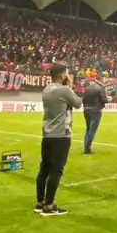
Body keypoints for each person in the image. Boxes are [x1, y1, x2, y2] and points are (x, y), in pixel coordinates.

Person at [36, 64, 82, 217]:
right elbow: (77, 103)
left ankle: (40, 202)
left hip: (47, 133)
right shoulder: (64, 90)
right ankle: (49, 206)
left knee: (44, 169)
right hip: (61, 134)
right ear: (62, 75)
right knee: (57, 170)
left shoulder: (46, 90)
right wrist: (69, 86)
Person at [80, 70, 110, 154]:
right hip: (95, 110)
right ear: (102, 79)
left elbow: (83, 99)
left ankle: (86, 147)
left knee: (88, 129)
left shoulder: (89, 87)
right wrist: (108, 99)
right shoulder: (101, 88)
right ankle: (87, 149)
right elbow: (104, 100)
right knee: (92, 130)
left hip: (86, 110)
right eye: (105, 78)